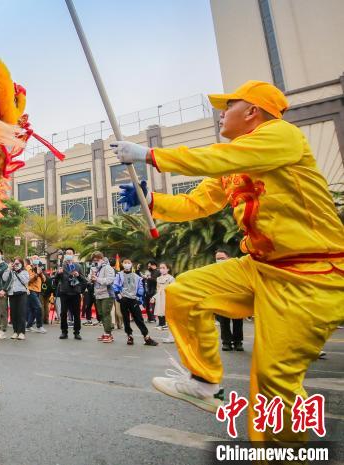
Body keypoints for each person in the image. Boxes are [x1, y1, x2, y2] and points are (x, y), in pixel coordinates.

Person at [112, 80, 344, 443]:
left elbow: (215, 158)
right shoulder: (234, 162)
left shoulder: (282, 135)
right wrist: (151, 201)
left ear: (252, 111)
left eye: (229, 106)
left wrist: (150, 155)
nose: (222, 112)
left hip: (310, 275)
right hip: (259, 267)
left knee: (273, 382)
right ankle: (204, 384)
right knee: (184, 292)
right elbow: (197, 203)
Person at [112, 258, 158, 346]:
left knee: (139, 319)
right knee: (126, 319)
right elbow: (115, 286)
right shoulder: (119, 275)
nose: (127, 264)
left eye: (128, 263)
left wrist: (138, 297)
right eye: (125, 263)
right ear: (122, 264)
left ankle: (146, 337)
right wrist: (119, 297)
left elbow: (141, 288)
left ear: (131, 264)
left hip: (134, 300)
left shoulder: (137, 277)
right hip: (124, 299)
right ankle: (130, 336)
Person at [211, 250, 245, 352]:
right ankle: (226, 342)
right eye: (217, 259)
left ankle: (238, 342)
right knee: (224, 322)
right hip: (222, 300)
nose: (219, 260)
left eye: (222, 258)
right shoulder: (214, 270)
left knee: (238, 322)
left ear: (229, 258)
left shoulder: (237, 269)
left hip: (236, 299)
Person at [56, 248, 86, 340]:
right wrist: (58, 274)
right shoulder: (61, 266)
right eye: (67, 253)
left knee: (76, 313)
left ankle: (77, 332)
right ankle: (64, 332)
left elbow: (84, 280)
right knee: (63, 313)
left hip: (75, 293)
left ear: (73, 255)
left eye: (70, 253)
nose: (68, 254)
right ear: (65, 255)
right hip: (64, 292)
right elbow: (56, 281)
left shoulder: (78, 266)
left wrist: (78, 276)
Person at [88, 252, 116, 343]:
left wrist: (97, 279)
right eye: (94, 260)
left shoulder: (108, 267)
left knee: (106, 313)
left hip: (107, 294)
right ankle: (106, 332)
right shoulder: (95, 268)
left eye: (97, 259)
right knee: (101, 314)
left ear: (102, 258)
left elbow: (110, 280)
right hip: (98, 294)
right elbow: (90, 280)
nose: (95, 261)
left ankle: (108, 333)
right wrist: (91, 278)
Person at [4, 256, 29, 340]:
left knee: (21, 313)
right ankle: (15, 331)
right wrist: (8, 269)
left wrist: (18, 271)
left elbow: (25, 281)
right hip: (12, 294)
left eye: (18, 263)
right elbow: (4, 278)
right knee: (13, 313)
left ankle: (21, 332)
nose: (16, 265)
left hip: (22, 293)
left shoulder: (24, 272)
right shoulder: (11, 271)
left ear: (21, 264)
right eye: (15, 263)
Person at [152, 262, 176, 343]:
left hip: (168, 299)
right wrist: (154, 297)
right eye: (160, 268)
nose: (161, 269)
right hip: (160, 299)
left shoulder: (171, 278)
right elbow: (158, 290)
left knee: (170, 319)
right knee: (166, 318)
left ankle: (172, 336)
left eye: (163, 268)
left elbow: (173, 290)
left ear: (168, 269)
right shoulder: (158, 279)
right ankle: (171, 336)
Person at [25, 255, 46, 333]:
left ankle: (28, 326)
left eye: (38, 258)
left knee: (33, 309)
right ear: (31, 260)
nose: (36, 260)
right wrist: (36, 274)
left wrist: (40, 273)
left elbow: (44, 280)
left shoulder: (39, 268)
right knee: (39, 307)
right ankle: (39, 326)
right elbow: (28, 280)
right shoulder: (28, 268)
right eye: (34, 258)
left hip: (38, 290)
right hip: (30, 290)